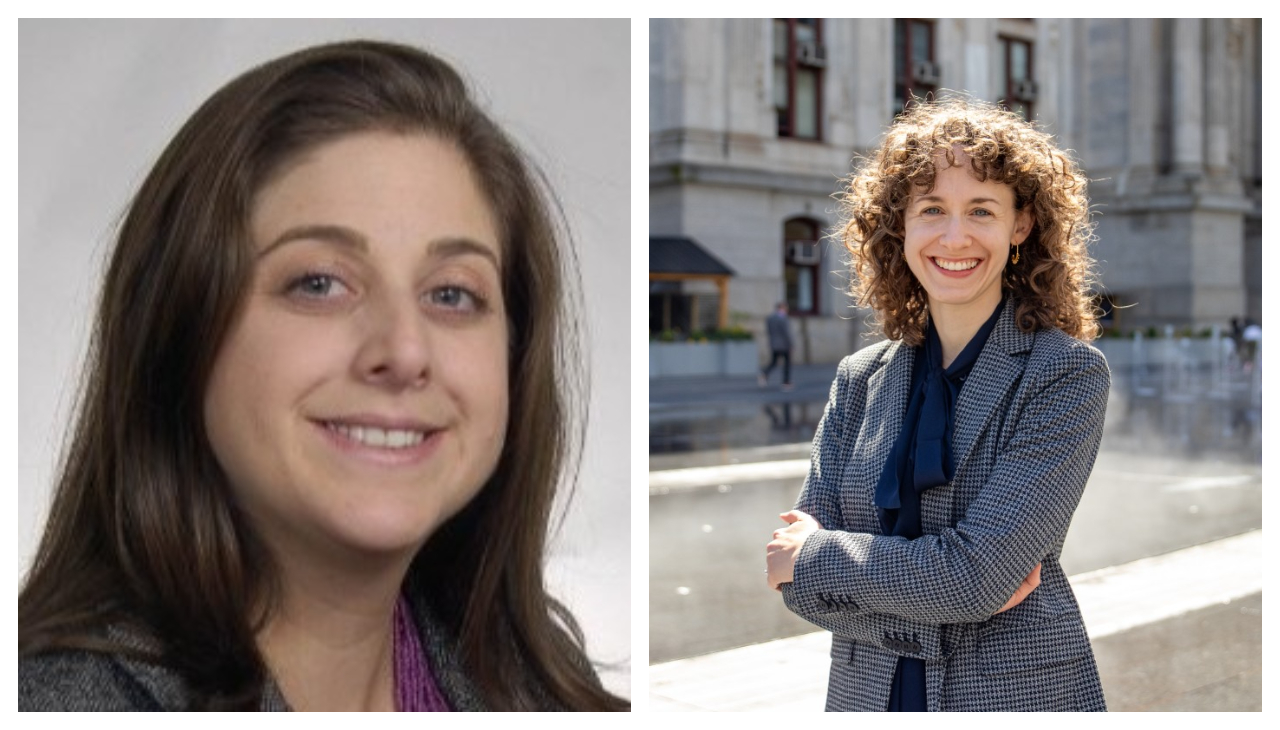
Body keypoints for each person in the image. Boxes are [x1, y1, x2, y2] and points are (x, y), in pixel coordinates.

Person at [19, 40, 627, 711]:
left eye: (452, 294)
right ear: (178, 330)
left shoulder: (530, 681)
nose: (404, 350)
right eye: (319, 283)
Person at [766, 97, 1109, 712]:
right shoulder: (859, 377)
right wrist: (951, 593)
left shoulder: (1065, 374)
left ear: (1021, 225)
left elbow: (976, 576)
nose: (955, 237)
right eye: (932, 210)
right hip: (865, 694)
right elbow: (792, 586)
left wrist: (820, 558)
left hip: (1013, 696)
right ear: (901, 226)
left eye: (981, 209)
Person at [760, 302, 794, 389]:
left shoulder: (770, 318)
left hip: (774, 343)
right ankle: (786, 382)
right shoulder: (783, 318)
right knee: (786, 364)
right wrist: (790, 344)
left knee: (774, 362)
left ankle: (765, 373)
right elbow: (786, 333)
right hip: (784, 344)